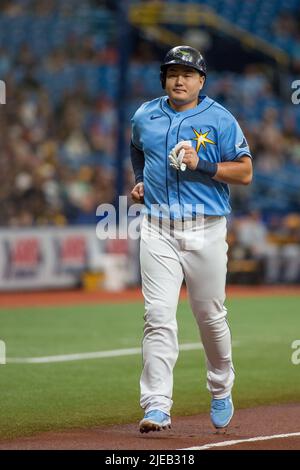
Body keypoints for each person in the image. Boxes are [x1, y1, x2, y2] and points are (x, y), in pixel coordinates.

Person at [130, 45, 253, 433]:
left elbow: (246, 172)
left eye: (187, 73)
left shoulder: (219, 118)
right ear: (164, 79)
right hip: (157, 229)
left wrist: (204, 164)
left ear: (202, 80)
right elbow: (137, 149)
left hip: (206, 228)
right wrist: (138, 182)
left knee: (210, 316)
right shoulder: (144, 115)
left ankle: (220, 388)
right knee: (158, 316)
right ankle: (156, 405)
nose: (179, 79)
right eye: (172, 73)